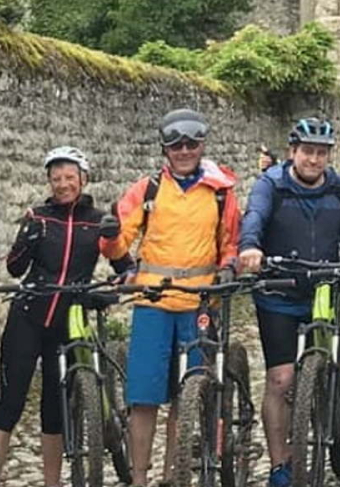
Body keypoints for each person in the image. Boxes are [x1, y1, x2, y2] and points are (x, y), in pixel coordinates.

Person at [103, 110, 241, 487]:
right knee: (144, 397)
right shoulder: (146, 189)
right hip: (153, 303)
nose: (184, 151)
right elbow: (118, 241)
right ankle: (140, 478)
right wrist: (109, 236)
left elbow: (230, 242)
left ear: (202, 146)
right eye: (176, 145)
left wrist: (229, 266)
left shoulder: (220, 192)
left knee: (186, 395)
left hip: (198, 303)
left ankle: (173, 474)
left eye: (191, 144)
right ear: (165, 149)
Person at [237, 118, 340, 487]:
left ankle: (330, 412)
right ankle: (281, 464)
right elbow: (255, 217)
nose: (314, 159)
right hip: (278, 292)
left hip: (323, 289)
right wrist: (250, 246)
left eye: (321, 153)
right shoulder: (271, 185)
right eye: (307, 151)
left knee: (322, 367)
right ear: (293, 151)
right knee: (280, 380)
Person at [0, 146, 128, 487]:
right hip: (28, 315)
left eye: (70, 177)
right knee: (11, 402)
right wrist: (27, 238)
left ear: (84, 179)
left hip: (67, 322)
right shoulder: (38, 216)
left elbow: (125, 268)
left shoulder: (98, 220)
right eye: (56, 178)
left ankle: (51, 483)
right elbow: (14, 267)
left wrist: (115, 259)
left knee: (54, 409)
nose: (63, 184)